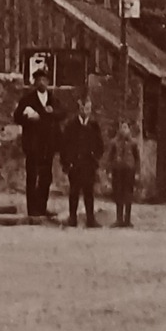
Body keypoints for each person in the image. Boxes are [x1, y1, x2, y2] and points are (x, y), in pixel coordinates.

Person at [13, 69, 62, 219]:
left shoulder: (53, 99)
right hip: (33, 144)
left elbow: (63, 114)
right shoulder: (27, 100)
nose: (42, 82)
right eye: (39, 80)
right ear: (35, 82)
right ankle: (32, 209)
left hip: (48, 145)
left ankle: (42, 207)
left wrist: (52, 112)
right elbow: (17, 117)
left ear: (48, 82)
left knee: (46, 176)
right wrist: (29, 118)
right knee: (32, 176)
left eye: (45, 80)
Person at [60, 98, 105, 228]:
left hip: (88, 164)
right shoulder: (71, 125)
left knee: (89, 192)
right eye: (85, 108)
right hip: (75, 164)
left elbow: (99, 145)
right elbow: (65, 146)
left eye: (89, 109)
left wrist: (95, 158)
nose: (87, 112)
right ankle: (72, 218)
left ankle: (90, 219)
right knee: (74, 191)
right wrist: (66, 163)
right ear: (79, 109)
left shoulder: (94, 125)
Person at [106, 120, 141, 228]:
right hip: (118, 171)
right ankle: (119, 219)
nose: (124, 130)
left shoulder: (133, 143)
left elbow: (137, 159)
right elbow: (110, 158)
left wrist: (137, 172)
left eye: (126, 128)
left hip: (129, 171)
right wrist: (109, 171)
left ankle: (127, 219)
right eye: (123, 127)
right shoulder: (114, 142)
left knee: (128, 195)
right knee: (118, 194)